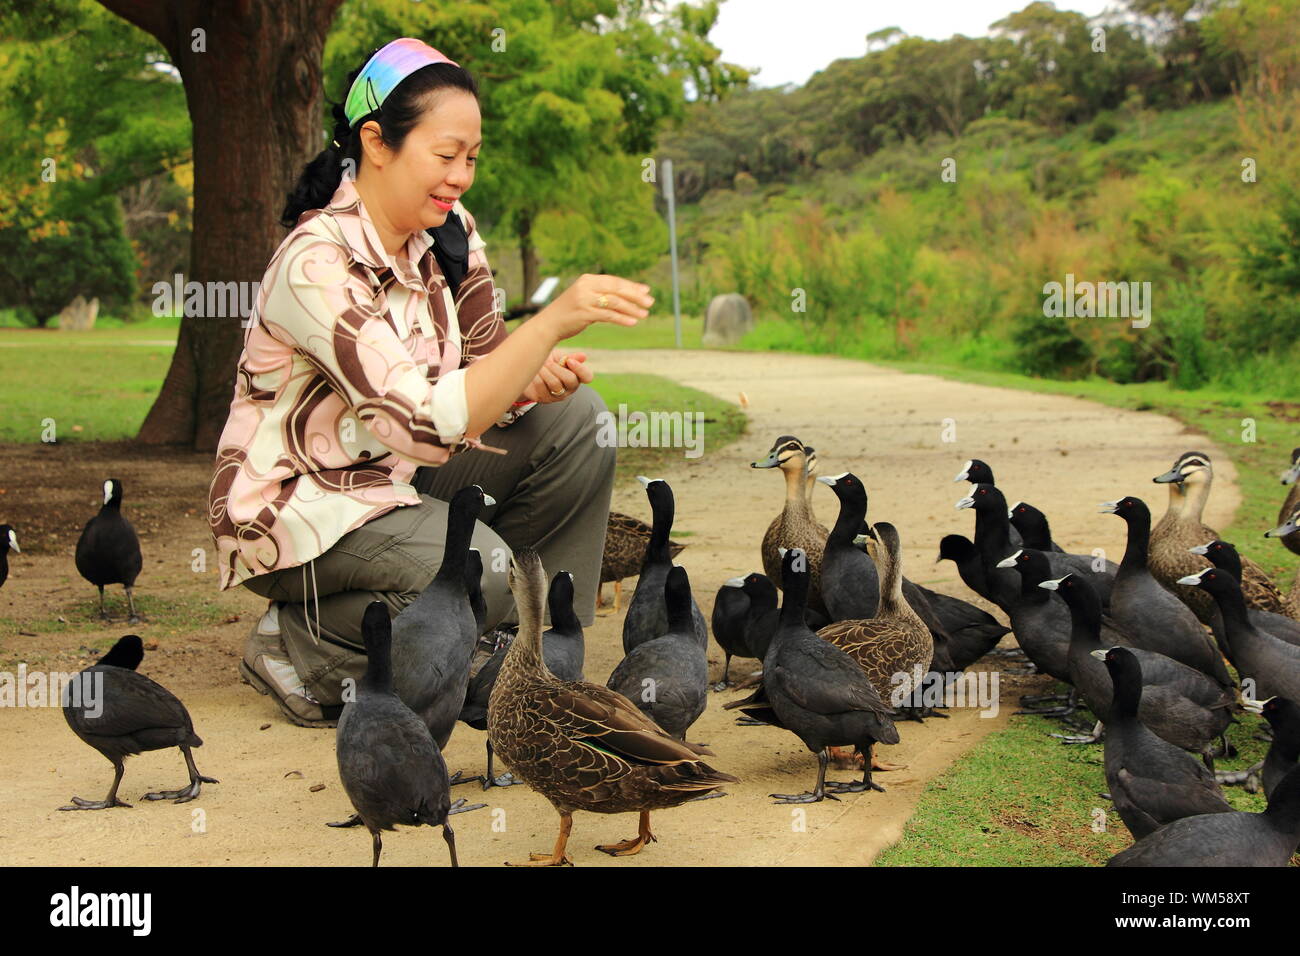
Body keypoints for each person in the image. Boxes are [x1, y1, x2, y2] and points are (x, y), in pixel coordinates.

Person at [206, 37, 652, 727]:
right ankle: (302, 642)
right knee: (486, 571)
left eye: (471, 158)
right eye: (446, 156)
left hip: (397, 481)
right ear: (377, 143)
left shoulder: (447, 231)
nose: (462, 175)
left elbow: (484, 356)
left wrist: (533, 373)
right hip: (301, 511)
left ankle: (530, 650)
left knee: (579, 423)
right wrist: (550, 326)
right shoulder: (315, 265)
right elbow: (416, 419)